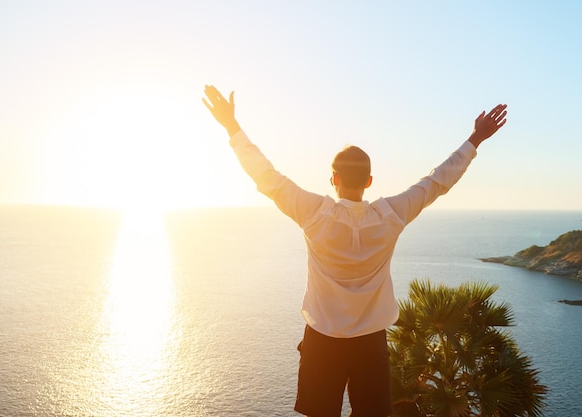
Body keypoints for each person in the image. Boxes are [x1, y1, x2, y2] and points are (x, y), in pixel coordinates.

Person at [202, 85, 507, 417]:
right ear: (370, 180)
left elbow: (267, 176)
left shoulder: (314, 213)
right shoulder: (390, 215)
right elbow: (437, 182)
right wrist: (474, 139)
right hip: (369, 343)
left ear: (333, 178)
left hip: (322, 341)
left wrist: (232, 127)